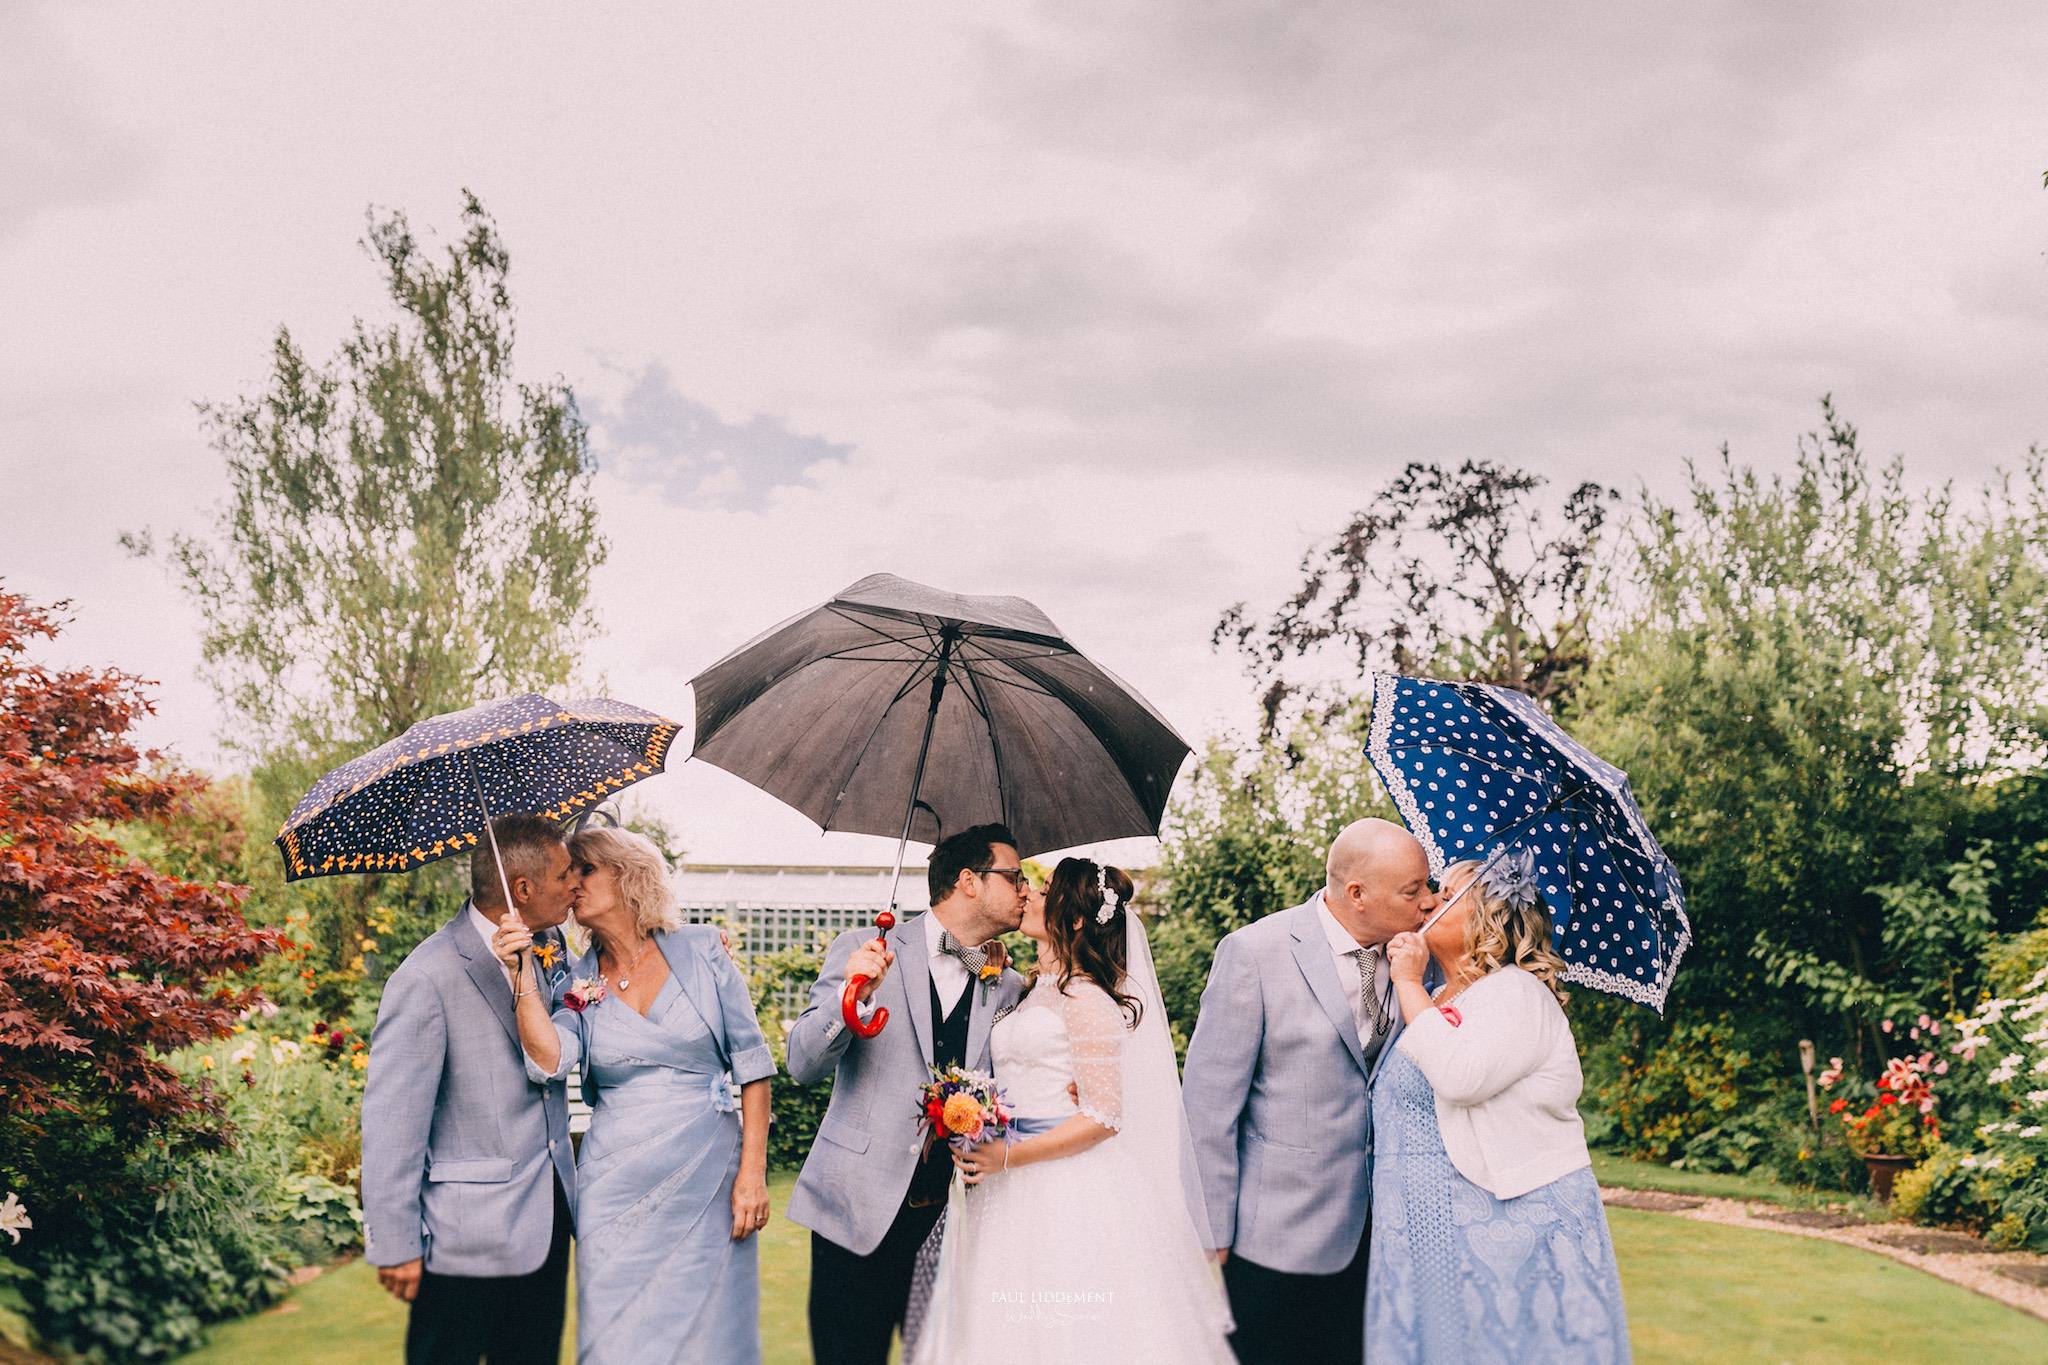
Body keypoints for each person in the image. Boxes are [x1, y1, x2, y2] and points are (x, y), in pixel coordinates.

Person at [914, 858, 1234, 1362]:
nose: (1030, 897)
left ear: (1077, 919)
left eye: (1044, 891)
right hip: (1006, 1178)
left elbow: (1103, 1117)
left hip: (1061, 1183)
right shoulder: (1027, 988)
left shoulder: (1087, 998)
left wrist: (1008, 1156)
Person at [496, 824, 777, 1365]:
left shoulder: (701, 950)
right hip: (614, 1187)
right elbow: (550, 1061)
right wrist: (522, 973)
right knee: (620, 1337)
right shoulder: (575, 980)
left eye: (585, 869)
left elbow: (753, 1067)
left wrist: (752, 1173)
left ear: (627, 874)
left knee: (710, 1333)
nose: (572, 882)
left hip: (710, 1180)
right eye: (567, 872)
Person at [1182, 817, 1438, 1365]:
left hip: (1379, 1237)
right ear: (1357, 894)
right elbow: (1208, 1110)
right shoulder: (1254, 953)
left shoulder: (1416, 963)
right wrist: (1211, 1230)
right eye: (1413, 890)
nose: (1429, 902)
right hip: (1270, 1237)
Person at [784, 823, 1033, 1365]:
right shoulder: (863, 951)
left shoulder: (1009, 984)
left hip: (955, 1219)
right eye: (1013, 876)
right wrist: (850, 1000)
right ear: (969, 880)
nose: (1024, 889)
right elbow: (801, 1064)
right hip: (856, 1208)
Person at [1370, 853, 1631, 1364]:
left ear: (1488, 918)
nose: (1430, 903)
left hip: (1512, 1219)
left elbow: (1461, 1077)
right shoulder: (1435, 994)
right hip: (1432, 1223)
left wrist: (1405, 982)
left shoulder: (1516, 992)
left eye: (1447, 896)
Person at [361, 813, 581, 1365]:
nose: (574, 885)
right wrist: (395, 1243)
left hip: (548, 1222)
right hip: (462, 1242)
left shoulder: (554, 950)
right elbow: (392, 1125)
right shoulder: (425, 978)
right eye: (563, 876)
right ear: (522, 889)